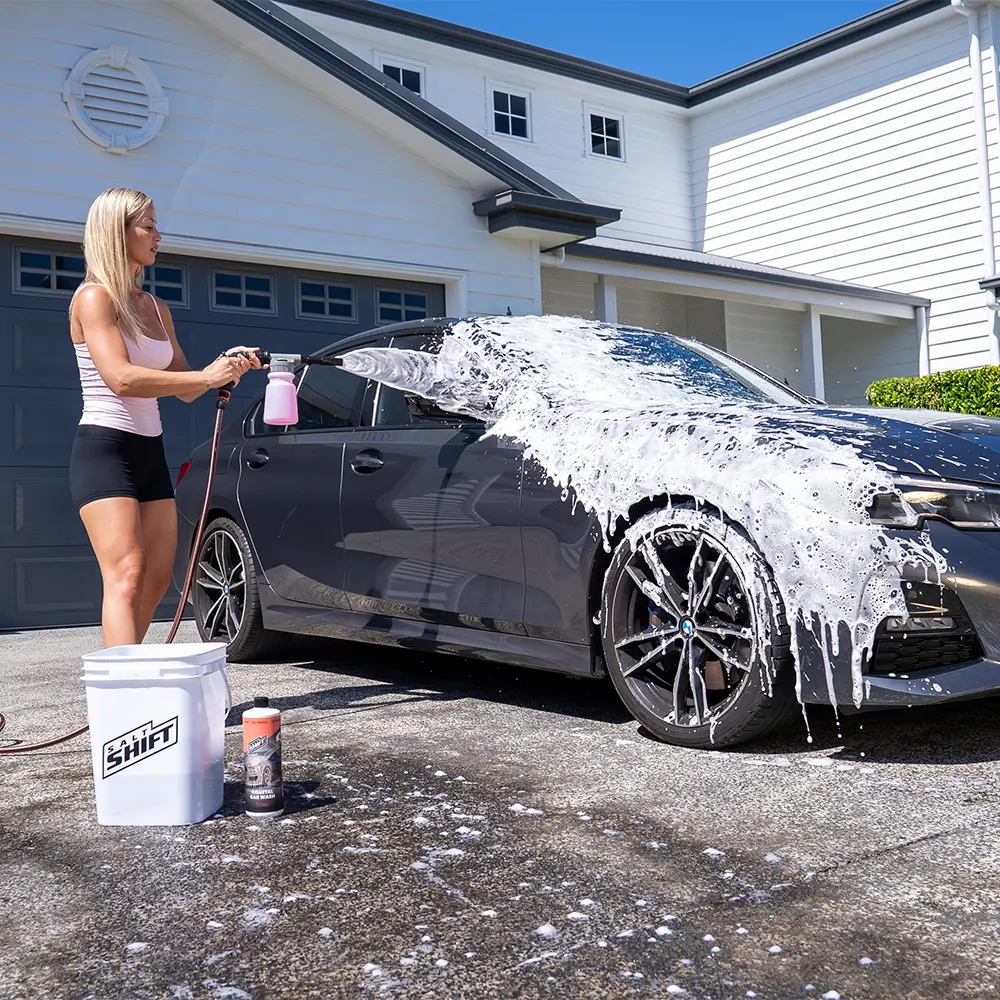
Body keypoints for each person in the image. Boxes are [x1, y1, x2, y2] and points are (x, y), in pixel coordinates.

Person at [69, 187, 261, 648]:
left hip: (148, 451)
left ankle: (126, 685)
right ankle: (123, 704)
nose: (159, 235)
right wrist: (206, 376)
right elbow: (121, 379)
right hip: (104, 449)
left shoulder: (156, 308)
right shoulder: (94, 298)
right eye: (149, 226)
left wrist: (223, 368)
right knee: (127, 573)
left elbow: (185, 387)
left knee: (156, 580)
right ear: (119, 232)